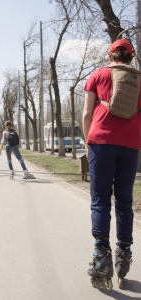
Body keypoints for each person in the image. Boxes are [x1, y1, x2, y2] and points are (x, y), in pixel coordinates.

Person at [83, 38, 141, 289]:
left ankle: (101, 256)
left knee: (100, 199)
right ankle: (124, 254)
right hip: (130, 146)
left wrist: (88, 141)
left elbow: (86, 112)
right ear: (131, 56)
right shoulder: (139, 79)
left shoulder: (98, 75)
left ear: (110, 56)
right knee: (125, 201)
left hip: (101, 143)